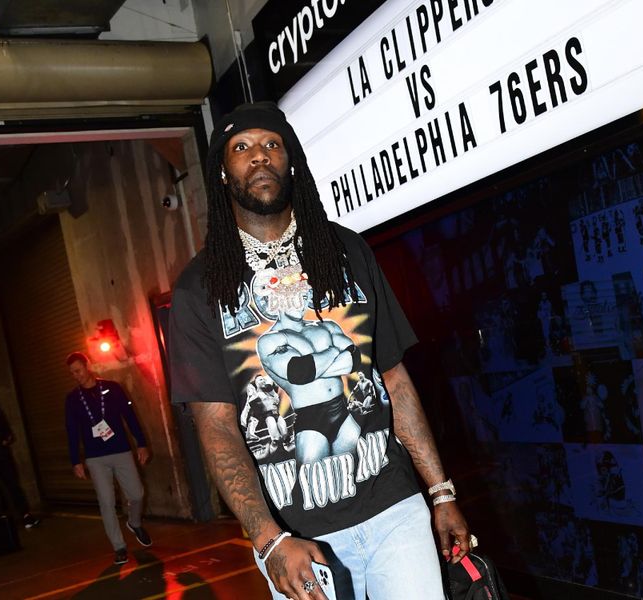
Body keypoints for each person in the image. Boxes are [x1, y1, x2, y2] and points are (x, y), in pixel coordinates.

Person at [168, 101, 471, 600]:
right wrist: (267, 540)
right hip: (298, 535)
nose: (259, 157)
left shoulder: (346, 251)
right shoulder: (200, 289)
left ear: (291, 162)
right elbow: (217, 425)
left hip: (394, 506)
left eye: (271, 145)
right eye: (241, 148)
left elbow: (392, 377)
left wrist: (440, 492)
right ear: (222, 173)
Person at [64, 352, 152, 565]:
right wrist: (76, 460)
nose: (76, 375)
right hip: (95, 458)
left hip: (121, 450)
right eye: (72, 373)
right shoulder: (73, 399)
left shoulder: (113, 388)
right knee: (107, 502)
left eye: (78, 370)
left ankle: (134, 522)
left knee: (137, 493)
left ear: (88, 365)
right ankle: (119, 547)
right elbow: (72, 431)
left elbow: (129, 417)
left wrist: (141, 442)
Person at [0, 387, 40, 528]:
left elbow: (8, 432)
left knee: (13, 486)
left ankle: (26, 516)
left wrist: (7, 439)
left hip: (2, 456)